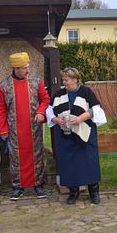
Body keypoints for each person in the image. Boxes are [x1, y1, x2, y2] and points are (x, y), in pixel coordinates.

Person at [0, 52, 51, 200]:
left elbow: (45, 100)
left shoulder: (36, 82)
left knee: (37, 155)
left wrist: (40, 111)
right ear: (15, 68)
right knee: (16, 158)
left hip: (34, 128)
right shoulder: (4, 86)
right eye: (24, 68)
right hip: (14, 130)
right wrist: (2, 129)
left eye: (28, 66)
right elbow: (1, 108)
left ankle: (38, 185)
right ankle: (17, 187)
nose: (28, 70)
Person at [46, 68, 106, 204]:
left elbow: (95, 109)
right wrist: (56, 120)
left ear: (75, 79)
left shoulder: (86, 92)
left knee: (89, 162)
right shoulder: (59, 94)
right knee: (69, 164)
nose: (64, 82)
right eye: (63, 80)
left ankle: (94, 192)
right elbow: (50, 110)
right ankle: (73, 192)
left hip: (84, 134)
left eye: (66, 80)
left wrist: (80, 119)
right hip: (66, 136)